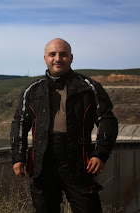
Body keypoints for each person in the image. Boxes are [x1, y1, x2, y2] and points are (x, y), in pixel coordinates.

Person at [10, 38, 118, 213]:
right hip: (42, 165)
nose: (58, 59)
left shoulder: (89, 88)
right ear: (45, 58)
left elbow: (107, 120)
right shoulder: (31, 90)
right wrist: (18, 157)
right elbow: (20, 124)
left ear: (71, 58)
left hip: (79, 164)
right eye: (52, 54)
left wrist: (101, 154)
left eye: (63, 55)